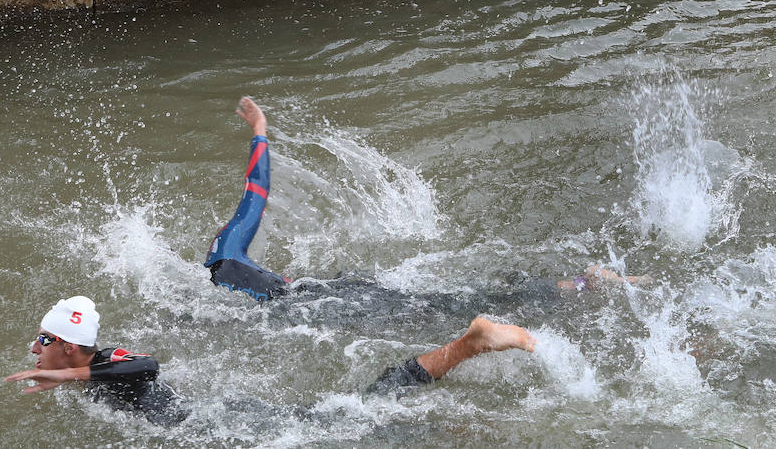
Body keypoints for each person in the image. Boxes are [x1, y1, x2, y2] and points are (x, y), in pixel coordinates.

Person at [207, 97, 647, 390]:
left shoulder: (216, 276)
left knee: (434, 317)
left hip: (328, 310)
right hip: (339, 292)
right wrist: (259, 129)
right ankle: (579, 284)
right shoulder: (228, 252)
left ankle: (573, 288)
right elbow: (256, 191)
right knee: (445, 299)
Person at [3, 296, 184, 423]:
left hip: (188, 425)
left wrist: (69, 374)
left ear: (69, 348)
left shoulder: (106, 359)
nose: (33, 348)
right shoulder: (83, 375)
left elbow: (149, 366)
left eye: (43, 339)